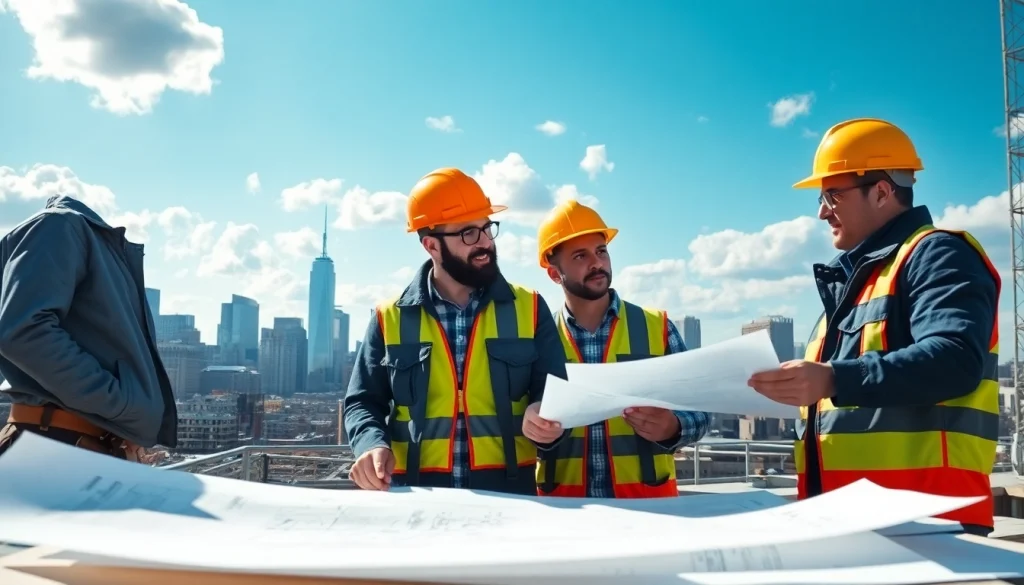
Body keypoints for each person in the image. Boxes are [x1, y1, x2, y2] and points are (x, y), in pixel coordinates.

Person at [747, 118, 1000, 535]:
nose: (822, 212)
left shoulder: (937, 255)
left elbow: (955, 359)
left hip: (929, 526)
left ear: (882, 192)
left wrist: (832, 378)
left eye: (832, 195)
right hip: (852, 525)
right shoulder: (857, 283)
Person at [343, 168, 567, 495]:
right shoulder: (388, 317)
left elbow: (556, 391)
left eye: (487, 228)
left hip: (511, 498)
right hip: (416, 498)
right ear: (432, 246)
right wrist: (370, 445)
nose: (485, 242)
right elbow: (363, 401)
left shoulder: (530, 307)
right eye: (468, 233)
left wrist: (544, 412)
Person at [530, 199, 710, 498]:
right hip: (565, 510)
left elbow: (702, 409)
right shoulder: (538, 336)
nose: (597, 263)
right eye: (580, 256)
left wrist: (673, 427)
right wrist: (536, 428)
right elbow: (521, 422)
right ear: (554, 273)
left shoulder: (657, 327)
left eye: (601, 251)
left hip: (648, 509)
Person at [0, 195, 177, 463]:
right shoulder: (59, 226)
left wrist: (125, 423)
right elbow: (23, 331)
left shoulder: (94, 242)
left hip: (77, 445)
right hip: (58, 447)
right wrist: (121, 405)